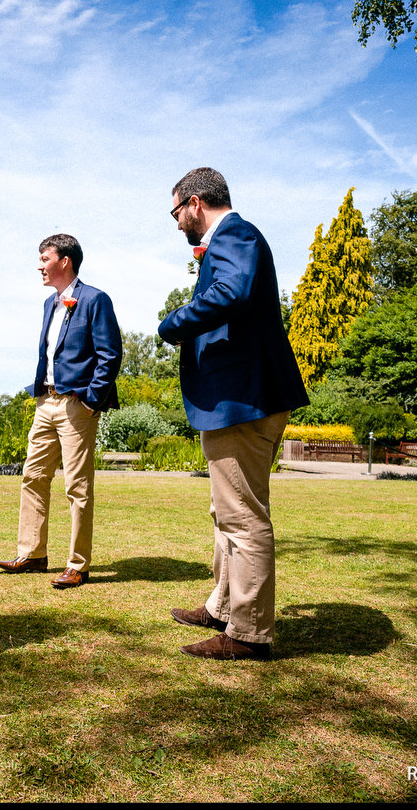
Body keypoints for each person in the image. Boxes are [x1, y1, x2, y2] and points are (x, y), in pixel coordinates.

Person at [158, 167, 309, 661]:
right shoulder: (233, 239)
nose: (177, 222)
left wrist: (174, 323)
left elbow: (232, 293)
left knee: (242, 517)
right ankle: (222, 605)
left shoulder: (236, 234)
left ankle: (246, 633)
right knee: (226, 510)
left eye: (176, 211)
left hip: (242, 399)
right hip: (238, 398)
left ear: (196, 203)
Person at [0, 234, 122, 589]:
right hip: (44, 403)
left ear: (64, 261)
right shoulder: (50, 304)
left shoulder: (96, 300)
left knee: (77, 486)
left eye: (44, 258)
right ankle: (32, 554)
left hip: (76, 405)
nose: (39, 265)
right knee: (33, 476)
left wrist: (91, 400)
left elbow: (110, 354)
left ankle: (78, 564)